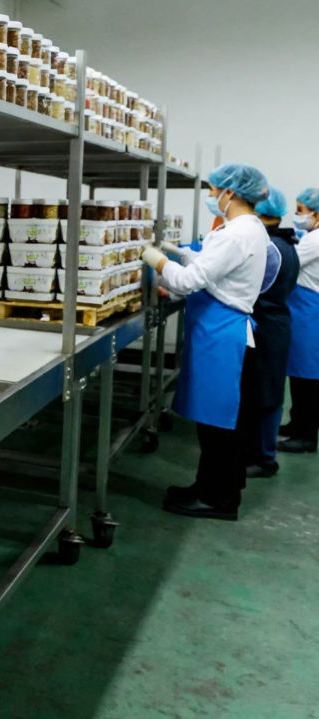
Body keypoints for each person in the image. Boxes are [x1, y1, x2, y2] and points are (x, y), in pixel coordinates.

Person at [141, 164, 270, 520]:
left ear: (231, 192)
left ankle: (220, 500)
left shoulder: (236, 234)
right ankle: (208, 487)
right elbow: (212, 267)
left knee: (219, 424)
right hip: (220, 328)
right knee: (214, 422)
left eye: (215, 191)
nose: (212, 197)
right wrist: (177, 251)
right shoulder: (246, 229)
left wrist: (157, 259)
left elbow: (187, 281)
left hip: (221, 333)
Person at [240, 188, 299, 478]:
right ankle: (260, 454)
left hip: (267, 327)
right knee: (265, 393)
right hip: (275, 325)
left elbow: (251, 286)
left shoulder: (271, 248)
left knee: (263, 395)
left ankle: (263, 459)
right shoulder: (284, 243)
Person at [278, 188, 319, 453]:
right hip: (303, 310)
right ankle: (297, 424)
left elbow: (288, 262)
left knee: (308, 377)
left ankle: (306, 436)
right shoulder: (311, 236)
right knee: (299, 373)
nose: (297, 215)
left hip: (311, 312)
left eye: (301, 210)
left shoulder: (316, 239)